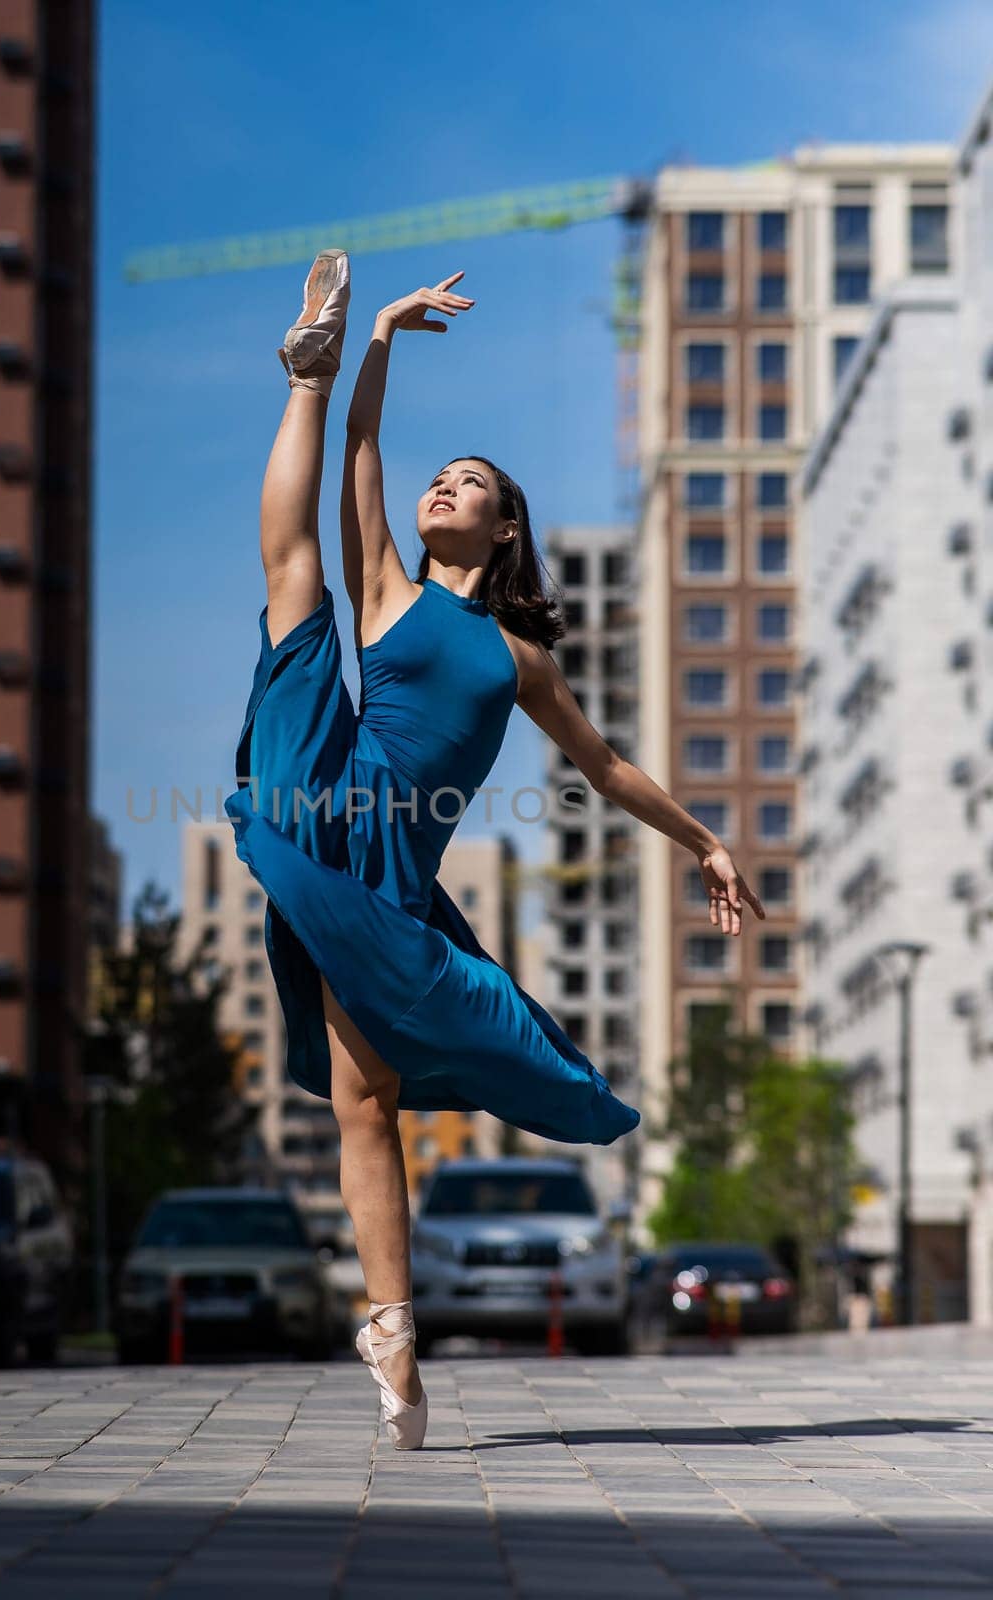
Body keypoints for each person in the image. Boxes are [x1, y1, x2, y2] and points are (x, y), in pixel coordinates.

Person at [223, 250, 766, 1449]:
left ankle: (391, 1326)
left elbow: (606, 766)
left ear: (501, 523)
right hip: (327, 783)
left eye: (464, 483)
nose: (440, 486)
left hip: (385, 880)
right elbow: (365, 464)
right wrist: (369, 351)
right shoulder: (390, 589)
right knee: (296, 574)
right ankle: (297, 377)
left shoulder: (519, 659)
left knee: (369, 1104)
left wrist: (702, 839)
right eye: (439, 477)